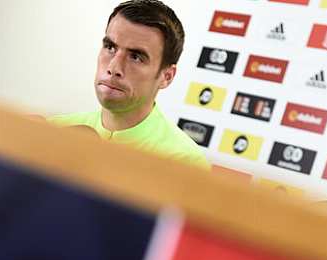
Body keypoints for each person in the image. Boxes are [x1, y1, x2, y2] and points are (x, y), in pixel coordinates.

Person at [48, 0, 210, 169]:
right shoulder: (55, 129)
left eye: (136, 56)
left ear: (166, 77)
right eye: (110, 47)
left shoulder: (185, 162)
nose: (113, 68)